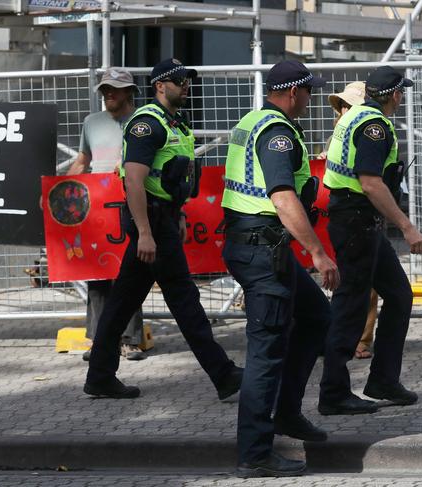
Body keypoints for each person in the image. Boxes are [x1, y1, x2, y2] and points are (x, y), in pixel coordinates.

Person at [83, 58, 243, 399]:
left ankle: (99, 375)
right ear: (160, 86)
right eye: (180, 80)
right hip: (152, 224)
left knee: (122, 303)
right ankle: (224, 375)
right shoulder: (147, 123)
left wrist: (179, 215)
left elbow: (172, 178)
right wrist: (144, 232)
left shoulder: (177, 124)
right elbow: (135, 182)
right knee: (186, 302)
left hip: (164, 219)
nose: (187, 85)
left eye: (187, 80)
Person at [222, 60, 340, 478]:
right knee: (265, 355)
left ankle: (287, 413)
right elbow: (283, 196)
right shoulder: (276, 132)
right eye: (309, 92)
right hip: (262, 251)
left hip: (258, 247)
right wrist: (318, 253)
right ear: (293, 93)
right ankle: (254, 454)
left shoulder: (254, 119)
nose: (310, 100)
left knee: (315, 316)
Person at [319, 65, 422, 416]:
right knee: (350, 308)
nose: (402, 97)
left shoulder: (355, 116)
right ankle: (333, 393)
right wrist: (407, 227)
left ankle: (382, 380)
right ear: (395, 94)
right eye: (402, 92)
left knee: (398, 295)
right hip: (356, 223)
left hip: (359, 222)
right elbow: (370, 182)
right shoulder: (374, 126)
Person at [67, 67, 147, 361]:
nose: (108, 94)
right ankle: (100, 340)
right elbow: (82, 161)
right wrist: (58, 190)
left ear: (129, 92)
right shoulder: (91, 122)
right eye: (104, 89)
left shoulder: (144, 121)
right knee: (97, 273)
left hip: (132, 202)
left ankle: (130, 339)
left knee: (130, 271)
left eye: (114, 88)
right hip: (98, 207)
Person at [324, 81, 378, 360]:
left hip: (356, 218)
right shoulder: (336, 136)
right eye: (341, 105)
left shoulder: (365, 132)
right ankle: (339, 340)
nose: (342, 110)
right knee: (350, 285)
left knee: (363, 286)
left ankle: (361, 339)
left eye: (348, 105)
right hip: (338, 219)